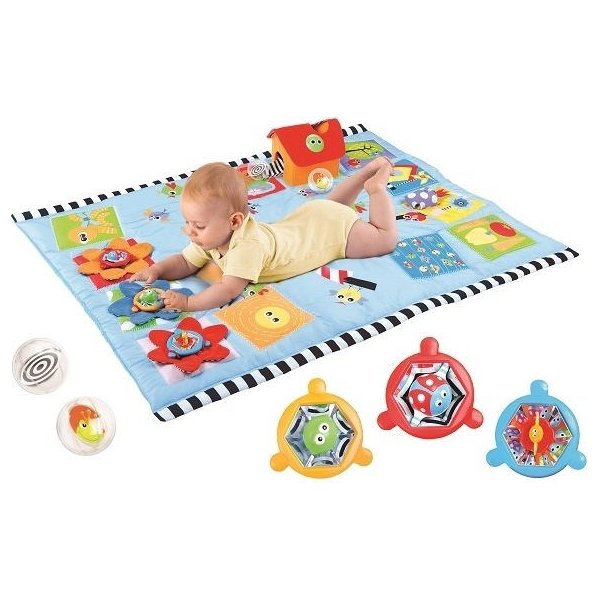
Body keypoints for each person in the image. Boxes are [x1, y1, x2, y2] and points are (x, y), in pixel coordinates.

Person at [130, 156, 397, 312]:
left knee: (384, 239)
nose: (189, 231)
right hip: (314, 215)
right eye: (188, 222)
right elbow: (185, 262)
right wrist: (157, 270)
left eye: (198, 226)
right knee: (333, 207)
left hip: (335, 233)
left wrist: (189, 303)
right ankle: (365, 173)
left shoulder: (247, 247)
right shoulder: (210, 237)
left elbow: (226, 290)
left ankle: (375, 188)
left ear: (234, 221)